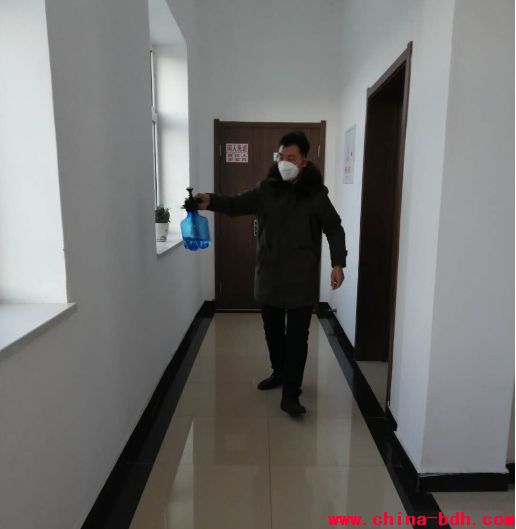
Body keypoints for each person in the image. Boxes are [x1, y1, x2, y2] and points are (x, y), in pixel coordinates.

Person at [196, 131, 347, 416]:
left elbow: (334, 228)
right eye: (281, 156)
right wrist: (210, 201)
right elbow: (236, 204)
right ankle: (279, 372)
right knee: (273, 332)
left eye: (291, 157)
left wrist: (338, 263)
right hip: (270, 275)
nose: (284, 162)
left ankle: (291, 394)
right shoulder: (266, 189)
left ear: (304, 161)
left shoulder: (316, 195)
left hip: (301, 278)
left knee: (297, 338)